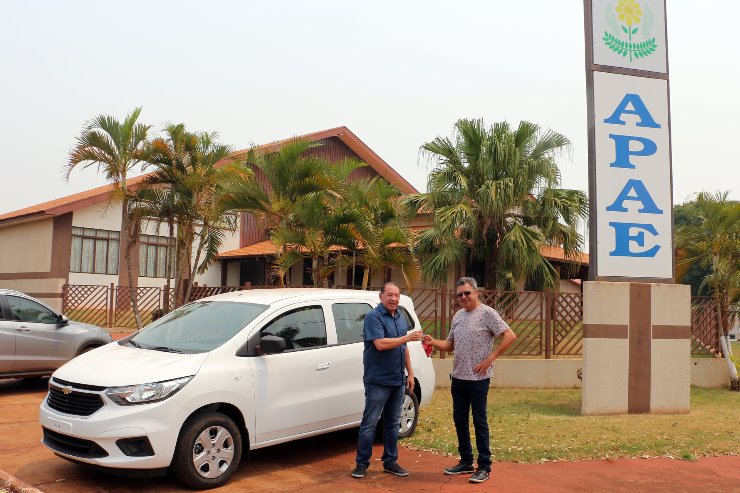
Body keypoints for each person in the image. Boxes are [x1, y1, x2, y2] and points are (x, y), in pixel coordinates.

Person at [423, 277, 517, 484]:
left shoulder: (488, 313)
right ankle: (466, 461)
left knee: (479, 421)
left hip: (479, 379)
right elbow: (450, 345)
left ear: (476, 293)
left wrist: (490, 359)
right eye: (459, 294)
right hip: (458, 377)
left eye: (467, 293)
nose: (463, 297)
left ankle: (484, 466)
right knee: (460, 420)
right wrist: (432, 341)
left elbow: (510, 335)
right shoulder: (458, 316)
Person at [352, 282, 424, 479]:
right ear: (380, 296)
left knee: (393, 422)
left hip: (398, 380)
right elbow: (381, 344)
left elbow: (404, 348)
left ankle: (390, 462)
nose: (394, 299)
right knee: (370, 423)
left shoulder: (400, 317)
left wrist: (410, 373)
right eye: (390, 295)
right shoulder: (373, 317)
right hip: (378, 381)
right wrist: (406, 338)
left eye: (397, 295)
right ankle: (361, 464)